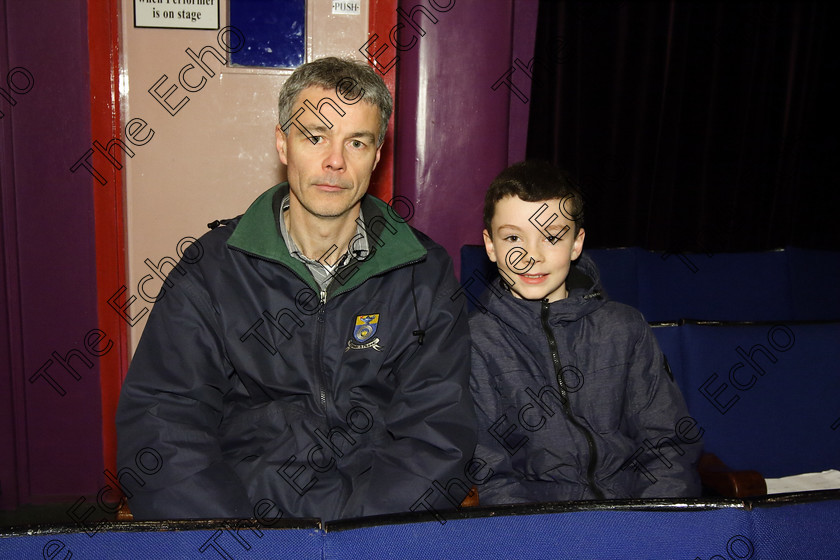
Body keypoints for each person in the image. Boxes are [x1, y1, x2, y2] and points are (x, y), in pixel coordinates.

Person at [115, 57, 476, 521]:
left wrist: (366, 540)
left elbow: (438, 430)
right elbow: (162, 421)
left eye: (357, 142)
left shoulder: (422, 272)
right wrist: (232, 543)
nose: (335, 161)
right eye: (315, 136)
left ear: (377, 155)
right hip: (243, 520)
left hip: (377, 524)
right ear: (283, 144)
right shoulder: (212, 267)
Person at [469, 161, 701, 504]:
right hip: (541, 530)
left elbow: (668, 445)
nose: (531, 256)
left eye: (551, 236)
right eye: (514, 237)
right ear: (490, 246)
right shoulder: (475, 341)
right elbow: (490, 475)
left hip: (636, 516)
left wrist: (653, 524)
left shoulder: (624, 329)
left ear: (576, 244)